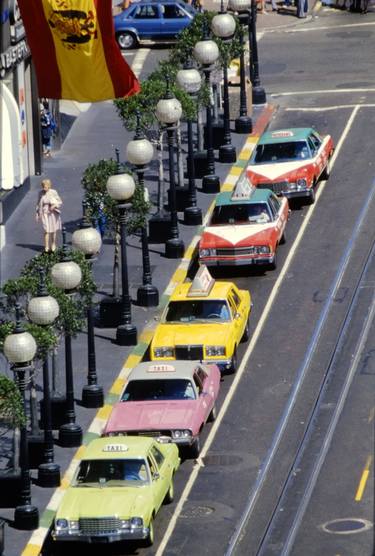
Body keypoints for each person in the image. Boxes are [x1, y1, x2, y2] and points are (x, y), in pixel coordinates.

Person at [36, 179, 63, 253]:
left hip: (53, 213)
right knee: (46, 230)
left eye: (45, 187)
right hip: (44, 213)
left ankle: (53, 244)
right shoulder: (40, 193)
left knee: (53, 230)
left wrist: (54, 206)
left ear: (49, 186)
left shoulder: (53, 192)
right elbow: (38, 203)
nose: (44, 188)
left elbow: (60, 202)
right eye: (43, 186)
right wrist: (37, 214)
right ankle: (46, 246)